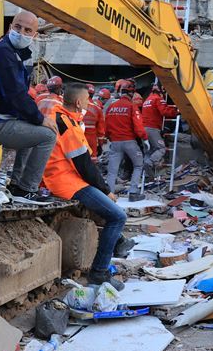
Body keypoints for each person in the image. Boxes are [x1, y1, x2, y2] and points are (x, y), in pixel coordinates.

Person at [42, 83, 127, 288]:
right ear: (79, 102)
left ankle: (114, 247)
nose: (89, 104)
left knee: (109, 213)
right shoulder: (66, 124)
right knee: (118, 216)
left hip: (65, 178)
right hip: (65, 181)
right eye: (87, 100)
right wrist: (106, 191)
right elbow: (83, 164)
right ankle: (99, 272)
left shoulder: (62, 117)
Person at [0, 11, 58, 204]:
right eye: (18, 27)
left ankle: (18, 184)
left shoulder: (12, 53)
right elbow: (14, 94)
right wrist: (40, 118)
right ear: (10, 27)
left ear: (34, 35)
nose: (21, 32)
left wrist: (34, 118)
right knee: (47, 136)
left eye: (28, 30)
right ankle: (26, 188)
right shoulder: (4, 52)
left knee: (35, 129)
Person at [104, 79, 149, 201]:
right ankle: (133, 193)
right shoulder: (132, 107)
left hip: (115, 143)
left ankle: (109, 196)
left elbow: (106, 128)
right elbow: (139, 127)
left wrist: (110, 137)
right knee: (138, 165)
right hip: (129, 142)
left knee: (112, 171)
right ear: (132, 93)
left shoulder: (111, 107)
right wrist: (145, 139)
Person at [141, 85, 178, 169]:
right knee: (161, 149)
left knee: (148, 152)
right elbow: (164, 111)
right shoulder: (158, 99)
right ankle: (149, 163)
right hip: (152, 128)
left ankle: (147, 175)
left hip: (143, 129)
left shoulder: (147, 100)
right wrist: (176, 112)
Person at [83, 85, 107, 158]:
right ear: (93, 94)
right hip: (92, 139)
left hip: (78, 137)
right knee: (93, 159)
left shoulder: (76, 105)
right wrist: (100, 143)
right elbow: (101, 129)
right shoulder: (97, 108)